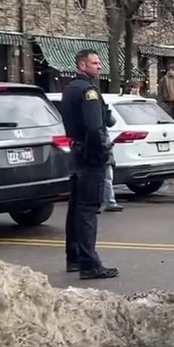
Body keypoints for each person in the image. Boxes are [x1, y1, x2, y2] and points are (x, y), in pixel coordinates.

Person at [59, 49, 119, 279]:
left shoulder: (70, 88)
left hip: (76, 151)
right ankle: (89, 263)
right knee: (87, 209)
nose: (99, 66)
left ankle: (74, 256)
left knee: (76, 207)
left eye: (99, 62)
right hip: (88, 155)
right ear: (82, 66)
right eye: (94, 63)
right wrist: (97, 155)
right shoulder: (88, 92)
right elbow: (94, 127)